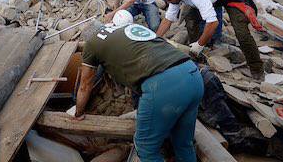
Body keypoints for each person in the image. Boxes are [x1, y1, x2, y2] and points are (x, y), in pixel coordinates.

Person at [75, 12, 203, 162]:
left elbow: (85, 85)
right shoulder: (129, 28)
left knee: (145, 148)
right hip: (192, 74)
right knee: (183, 144)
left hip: (163, 86)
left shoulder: (92, 43)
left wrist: (79, 112)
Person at [155, 0, 265, 80]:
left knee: (241, 33)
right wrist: (155, 40)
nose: (168, 3)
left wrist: (200, 44)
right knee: (191, 19)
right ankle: (196, 56)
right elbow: (168, 19)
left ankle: (257, 69)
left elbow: (213, 23)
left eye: (169, 0)